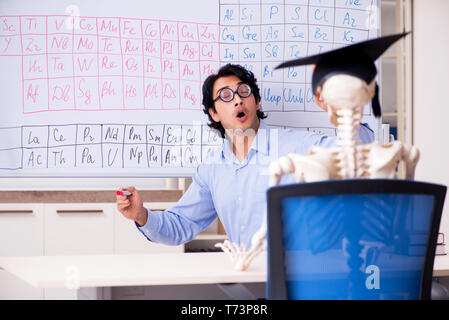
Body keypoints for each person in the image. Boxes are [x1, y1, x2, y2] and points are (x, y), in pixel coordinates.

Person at [116, 63, 374, 250]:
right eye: (225, 96)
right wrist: (142, 215)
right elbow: (181, 225)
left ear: (257, 102)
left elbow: (354, 154)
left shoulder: (293, 145)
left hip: (297, 278)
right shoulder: (212, 169)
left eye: (244, 92)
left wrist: (344, 109)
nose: (238, 100)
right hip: (247, 278)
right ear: (214, 113)